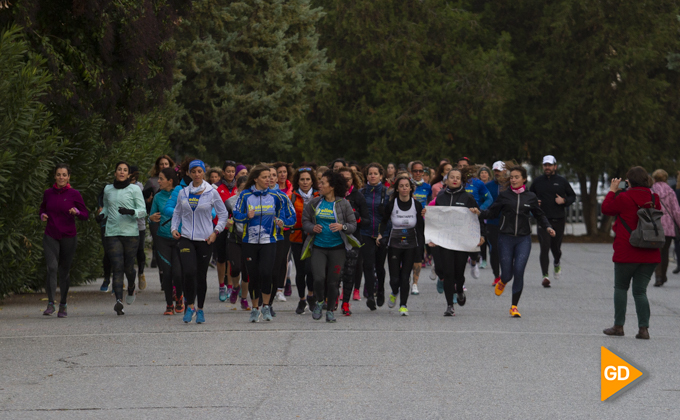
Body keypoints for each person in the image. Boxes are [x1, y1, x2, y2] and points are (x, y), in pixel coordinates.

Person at [480, 166, 554, 318]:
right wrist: (478, 213)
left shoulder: (531, 197)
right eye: (511, 177)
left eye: (516, 177)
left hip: (523, 239)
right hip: (505, 238)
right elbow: (492, 212)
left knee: (519, 271)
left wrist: (548, 227)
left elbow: (539, 215)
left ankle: (514, 306)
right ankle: (503, 280)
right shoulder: (504, 195)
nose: (513, 179)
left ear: (524, 179)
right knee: (507, 273)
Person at [601, 167, 662, 339]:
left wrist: (612, 191)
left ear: (629, 181)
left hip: (627, 250)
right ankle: (644, 329)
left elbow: (606, 209)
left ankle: (618, 326)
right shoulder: (653, 198)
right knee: (640, 291)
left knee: (621, 287)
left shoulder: (624, 197)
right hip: (650, 251)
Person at [233, 165, 295, 323]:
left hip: (270, 241)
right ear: (255, 179)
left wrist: (283, 222)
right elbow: (236, 215)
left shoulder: (277, 196)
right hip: (249, 242)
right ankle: (255, 309)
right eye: (265, 177)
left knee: (267, 273)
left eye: (270, 176)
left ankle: (266, 306)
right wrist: (246, 215)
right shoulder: (246, 195)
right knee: (253, 276)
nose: (269, 179)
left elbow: (292, 216)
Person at [171, 160, 229, 324]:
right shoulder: (183, 192)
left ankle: (201, 309)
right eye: (193, 171)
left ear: (204, 173)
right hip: (186, 238)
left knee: (201, 275)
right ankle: (190, 307)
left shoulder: (212, 192)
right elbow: (177, 213)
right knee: (189, 272)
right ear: (189, 173)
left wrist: (215, 232)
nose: (196, 174)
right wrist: (174, 228)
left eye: (199, 171)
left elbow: (223, 214)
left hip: (205, 239)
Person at [301, 170, 359, 322]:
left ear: (332, 186)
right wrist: (311, 228)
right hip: (318, 247)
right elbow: (305, 220)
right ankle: (320, 302)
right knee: (319, 279)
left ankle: (331, 310)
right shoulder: (315, 202)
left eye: (322, 183)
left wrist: (342, 227)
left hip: (337, 248)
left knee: (333, 282)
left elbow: (353, 225)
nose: (319, 185)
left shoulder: (343, 204)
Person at [426, 167, 484, 316]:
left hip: (462, 242)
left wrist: (481, 236)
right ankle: (449, 305)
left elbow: (478, 219)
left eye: (458, 177)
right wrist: (432, 237)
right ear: (446, 180)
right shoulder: (440, 197)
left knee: (459, 274)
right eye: (452, 177)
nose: (455, 179)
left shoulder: (468, 198)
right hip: (445, 242)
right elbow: (435, 219)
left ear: (461, 180)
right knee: (448, 273)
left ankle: (459, 291)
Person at [39, 164, 89, 317]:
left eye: (64, 175)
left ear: (68, 177)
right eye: (58, 174)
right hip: (51, 235)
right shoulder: (48, 193)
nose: (61, 177)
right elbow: (42, 208)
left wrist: (77, 211)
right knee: (52, 267)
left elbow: (85, 215)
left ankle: (63, 304)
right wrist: (42, 215)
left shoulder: (74, 194)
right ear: (55, 176)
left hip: (68, 236)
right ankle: (50, 303)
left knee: (64, 271)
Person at [100, 161, 147, 315]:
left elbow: (143, 211)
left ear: (128, 174)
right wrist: (101, 215)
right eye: (119, 169)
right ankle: (119, 301)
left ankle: (131, 287)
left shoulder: (134, 189)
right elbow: (106, 207)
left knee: (128, 267)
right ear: (115, 173)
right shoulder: (108, 189)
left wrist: (130, 211)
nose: (121, 172)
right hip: (112, 232)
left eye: (124, 170)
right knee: (117, 266)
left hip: (131, 233)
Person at [378, 174, 425, 316]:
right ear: (397, 189)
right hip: (395, 244)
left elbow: (421, 227)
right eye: (401, 186)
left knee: (405, 277)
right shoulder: (392, 204)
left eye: (406, 186)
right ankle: (394, 291)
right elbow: (385, 221)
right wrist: (381, 234)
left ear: (411, 188)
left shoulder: (416, 205)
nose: (404, 188)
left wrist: (421, 245)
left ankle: (403, 305)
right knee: (394, 278)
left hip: (411, 244)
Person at [529, 155, 576, 287]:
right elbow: (529, 195)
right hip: (543, 220)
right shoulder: (537, 181)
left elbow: (573, 196)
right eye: (545, 165)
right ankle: (545, 276)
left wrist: (564, 201)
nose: (547, 167)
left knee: (556, 248)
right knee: (544, 247)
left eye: (550, 165)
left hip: (558, 219)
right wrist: (534, 201)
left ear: (555, 166)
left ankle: (557, 262)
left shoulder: (561, 181)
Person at [150, 168, 184, 315]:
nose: (158, 181)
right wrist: (150, 218)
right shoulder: (157, 197)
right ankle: (169, 304)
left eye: (161, 178)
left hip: (180, 238)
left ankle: (180, 297)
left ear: (170, 181)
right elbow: (152, 216)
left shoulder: (182, 194)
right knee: (167, 273)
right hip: (163, 239)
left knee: (178, 273)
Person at [338, 166, 369, 315]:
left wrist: (357, 218)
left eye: (348, 179)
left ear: (353, 180)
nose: (345, 181)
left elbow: (367, 221)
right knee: (336, 272)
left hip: (352, 239)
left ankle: (345, 303)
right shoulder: (331, 195)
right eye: (342, 178)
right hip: (334, 239)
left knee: (349, 273)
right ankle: (331, 300)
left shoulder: (358, 196)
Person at [360, 163, 389, 309]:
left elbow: (390, 217)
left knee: (379, 266)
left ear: (381, 176)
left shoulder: (386, 193)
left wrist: (383, 233)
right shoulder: (362, 192)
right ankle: (370, 295)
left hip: (381, 234)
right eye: (370, 173)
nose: (372, 176)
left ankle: (381, 290)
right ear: (366, 176)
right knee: (368, 265)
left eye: (375, 173)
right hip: (365, 232)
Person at [290, 167, 319, 314]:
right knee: (300, 271)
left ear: (312, 181)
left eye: (308, 179)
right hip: (297, 238)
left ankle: (311, 296)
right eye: (302, 179)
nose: (305, 182)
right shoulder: (292, 197)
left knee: (311, 269)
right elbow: (289, 217)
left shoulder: (319, 196)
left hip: (315, 238)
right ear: (298, 181)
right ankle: (302, 299)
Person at [458, 157, 492, 279]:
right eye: (460, 166)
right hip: (459, 220)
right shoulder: (454, 181)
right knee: (459, 251)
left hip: (474, 219)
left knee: (474, 248)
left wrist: (480, 210)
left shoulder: (478, 183)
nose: (462, 169)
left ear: (469, 168)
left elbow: (489, 199)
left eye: (464, 166)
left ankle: (473, 262)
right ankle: (460, 281)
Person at [650, 169, 680, 287]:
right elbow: (676, 211)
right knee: (665, 252)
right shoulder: (670, 191)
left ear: (655, 178)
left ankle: (658, 277)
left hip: (654, 226)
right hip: (668, 227)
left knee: (656, 251)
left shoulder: (651, 191)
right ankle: (663, 276)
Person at [224, 175, 250, 310]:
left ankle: (244, 299)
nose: (244, 191)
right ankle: (235, 287)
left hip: (250, 239)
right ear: (237, 187)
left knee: (246, 272)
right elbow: (223, 217)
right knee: (235, 268)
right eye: (242, 188)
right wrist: (226, 223)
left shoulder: (255, 201)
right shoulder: (230, 202)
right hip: (234, 238)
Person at [145, 155, 175, 269]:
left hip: (171, 217)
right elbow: (143, 200)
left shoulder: (175, 182)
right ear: (157, 166)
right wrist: (148, 201)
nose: (163, 166)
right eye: (161, 164)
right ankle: (162, 271)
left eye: (166, 164)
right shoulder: (152, 181)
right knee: (158, 242)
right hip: (156, 215)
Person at [409, 161, 431, 294]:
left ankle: (415, 283)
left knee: (418, 252)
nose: (418, 173)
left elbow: (433, 203)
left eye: (420, 171)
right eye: (415, 171)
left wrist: (428, 210)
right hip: (406, 222)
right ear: (411, 172)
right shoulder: (406, 185)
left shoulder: (428, 187)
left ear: (423, 172)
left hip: (422, 223)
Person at [485, 161, 507, 286]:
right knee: (494, 249)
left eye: (499, 170)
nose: (497, 173)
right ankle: (496, 276)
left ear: (505, 171)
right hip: (492, 221)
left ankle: (505, 273)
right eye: (495, 170)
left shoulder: (510, 185)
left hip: (506, 221)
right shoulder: (488, 185)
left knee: (505, 249)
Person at [128, 166, 148, 290]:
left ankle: (141, 272)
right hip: (125, 225)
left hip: (139, 225)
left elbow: (143, 208)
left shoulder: (140, 187)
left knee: (139, 251)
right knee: (126, 253)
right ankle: (124, 277)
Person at [477, 165, 492, 269]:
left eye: (485, 172)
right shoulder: (477, 185)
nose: (483, 174)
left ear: (488, 175)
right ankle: (484, 259)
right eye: (482, 173)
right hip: (480, 213)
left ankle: (493, 257)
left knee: (491, 239)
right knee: (482, 237)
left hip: (491, 214)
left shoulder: (491, 186)